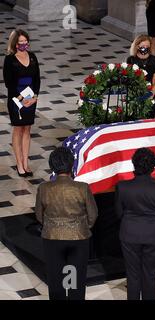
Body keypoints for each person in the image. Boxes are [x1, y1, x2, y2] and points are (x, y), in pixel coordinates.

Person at [35, 147, 98, 300]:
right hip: (78, 239)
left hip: (52, 239)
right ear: (72, 165)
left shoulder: (44, 188)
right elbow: (93, 215)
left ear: (53, 167)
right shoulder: (82, 187)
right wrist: (81, 227)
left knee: (56, 281)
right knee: (75, 281)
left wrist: (51, 226)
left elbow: (38, 215)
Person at [115, 147, 155, 300]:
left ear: (133, 165)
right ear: (153, 167)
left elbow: (119, 213)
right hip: (154, 235)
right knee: (151, 276)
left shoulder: (122, 187)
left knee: (132, 276)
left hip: (129, 235)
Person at [3, 29, 40, 177]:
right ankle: (19, 164)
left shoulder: (32, 57)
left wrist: (34, 97)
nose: (24, 44)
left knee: (27, 129)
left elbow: (37, 78)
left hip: (31, 98)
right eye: (21, 42)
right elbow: (8, 83)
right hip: (16, 99)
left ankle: (26, 163)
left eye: (26, 41)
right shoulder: (10, 59)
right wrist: (21, 98)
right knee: (18, 129)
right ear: (15, 43)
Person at [127, 35, 155, 119]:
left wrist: (151, 94)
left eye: (147, 47)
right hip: (135, 96)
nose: (145, 48)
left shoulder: (154, 59)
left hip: (149, 94)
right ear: (137, 46)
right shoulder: (131, 60)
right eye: (142, 46)